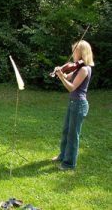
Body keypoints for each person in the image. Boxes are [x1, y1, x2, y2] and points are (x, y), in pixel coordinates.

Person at [52, 40, 94, 170]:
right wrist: (59, 73)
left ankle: (69, 163)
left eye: (74, 51)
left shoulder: (85, 70)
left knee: (72, 134)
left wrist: (61, 76)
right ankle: (63, 155)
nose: (72, 54)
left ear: (81, 52)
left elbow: (71, 87)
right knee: (66, 131)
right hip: (73, 103)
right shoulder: (77, 68)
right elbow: (67, 76)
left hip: (79, 105)